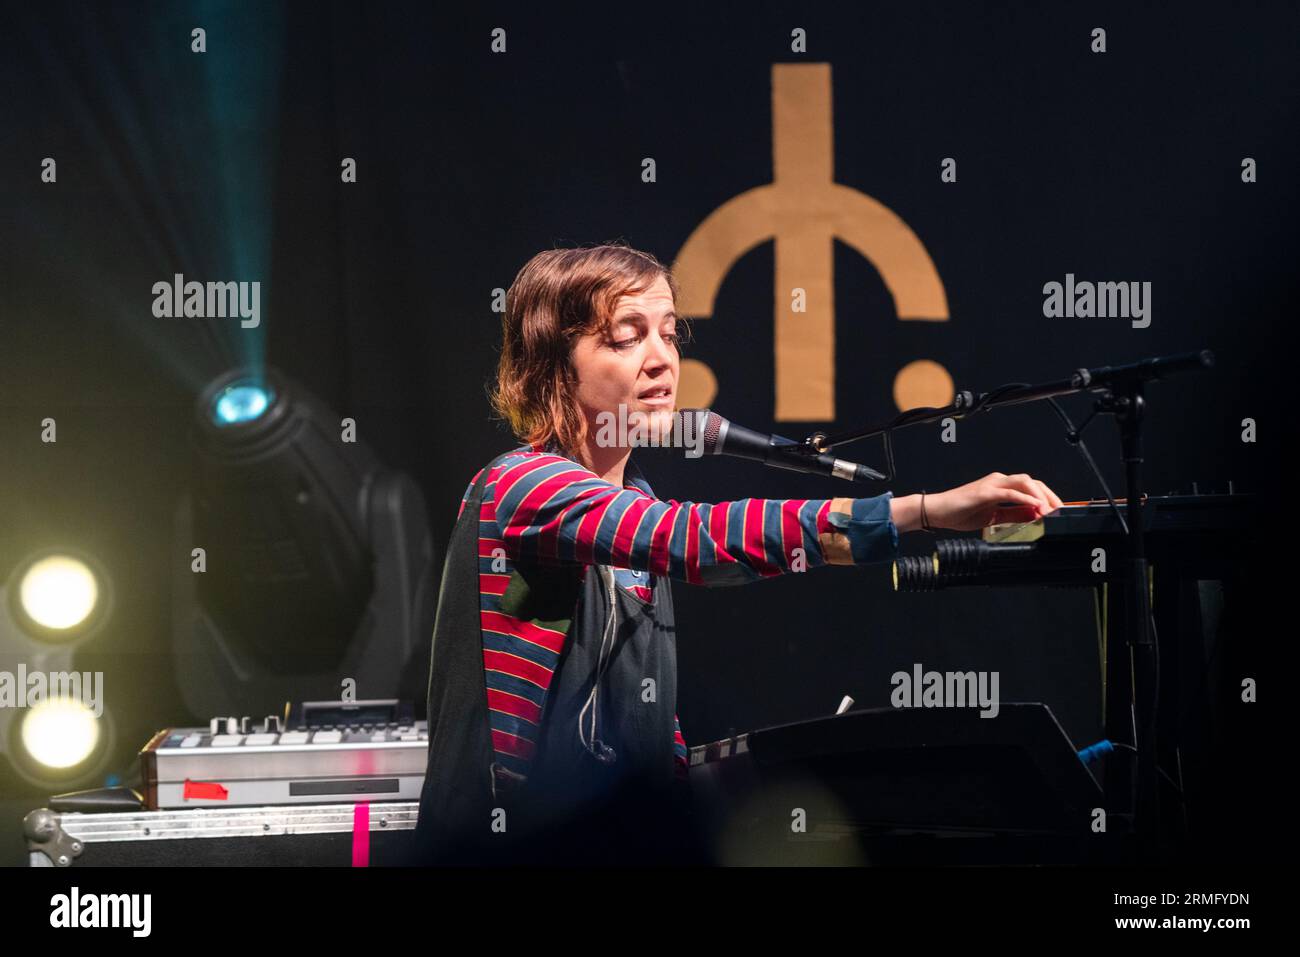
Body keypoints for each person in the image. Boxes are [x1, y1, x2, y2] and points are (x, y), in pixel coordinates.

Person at [410, 243, 1062, 865]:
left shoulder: (638, 497)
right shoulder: (522, 484)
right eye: (627, 335)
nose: (663, 358)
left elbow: (641, 729)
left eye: (669, 332)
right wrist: (923, 510)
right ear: (554, 363)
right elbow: (693, 540)